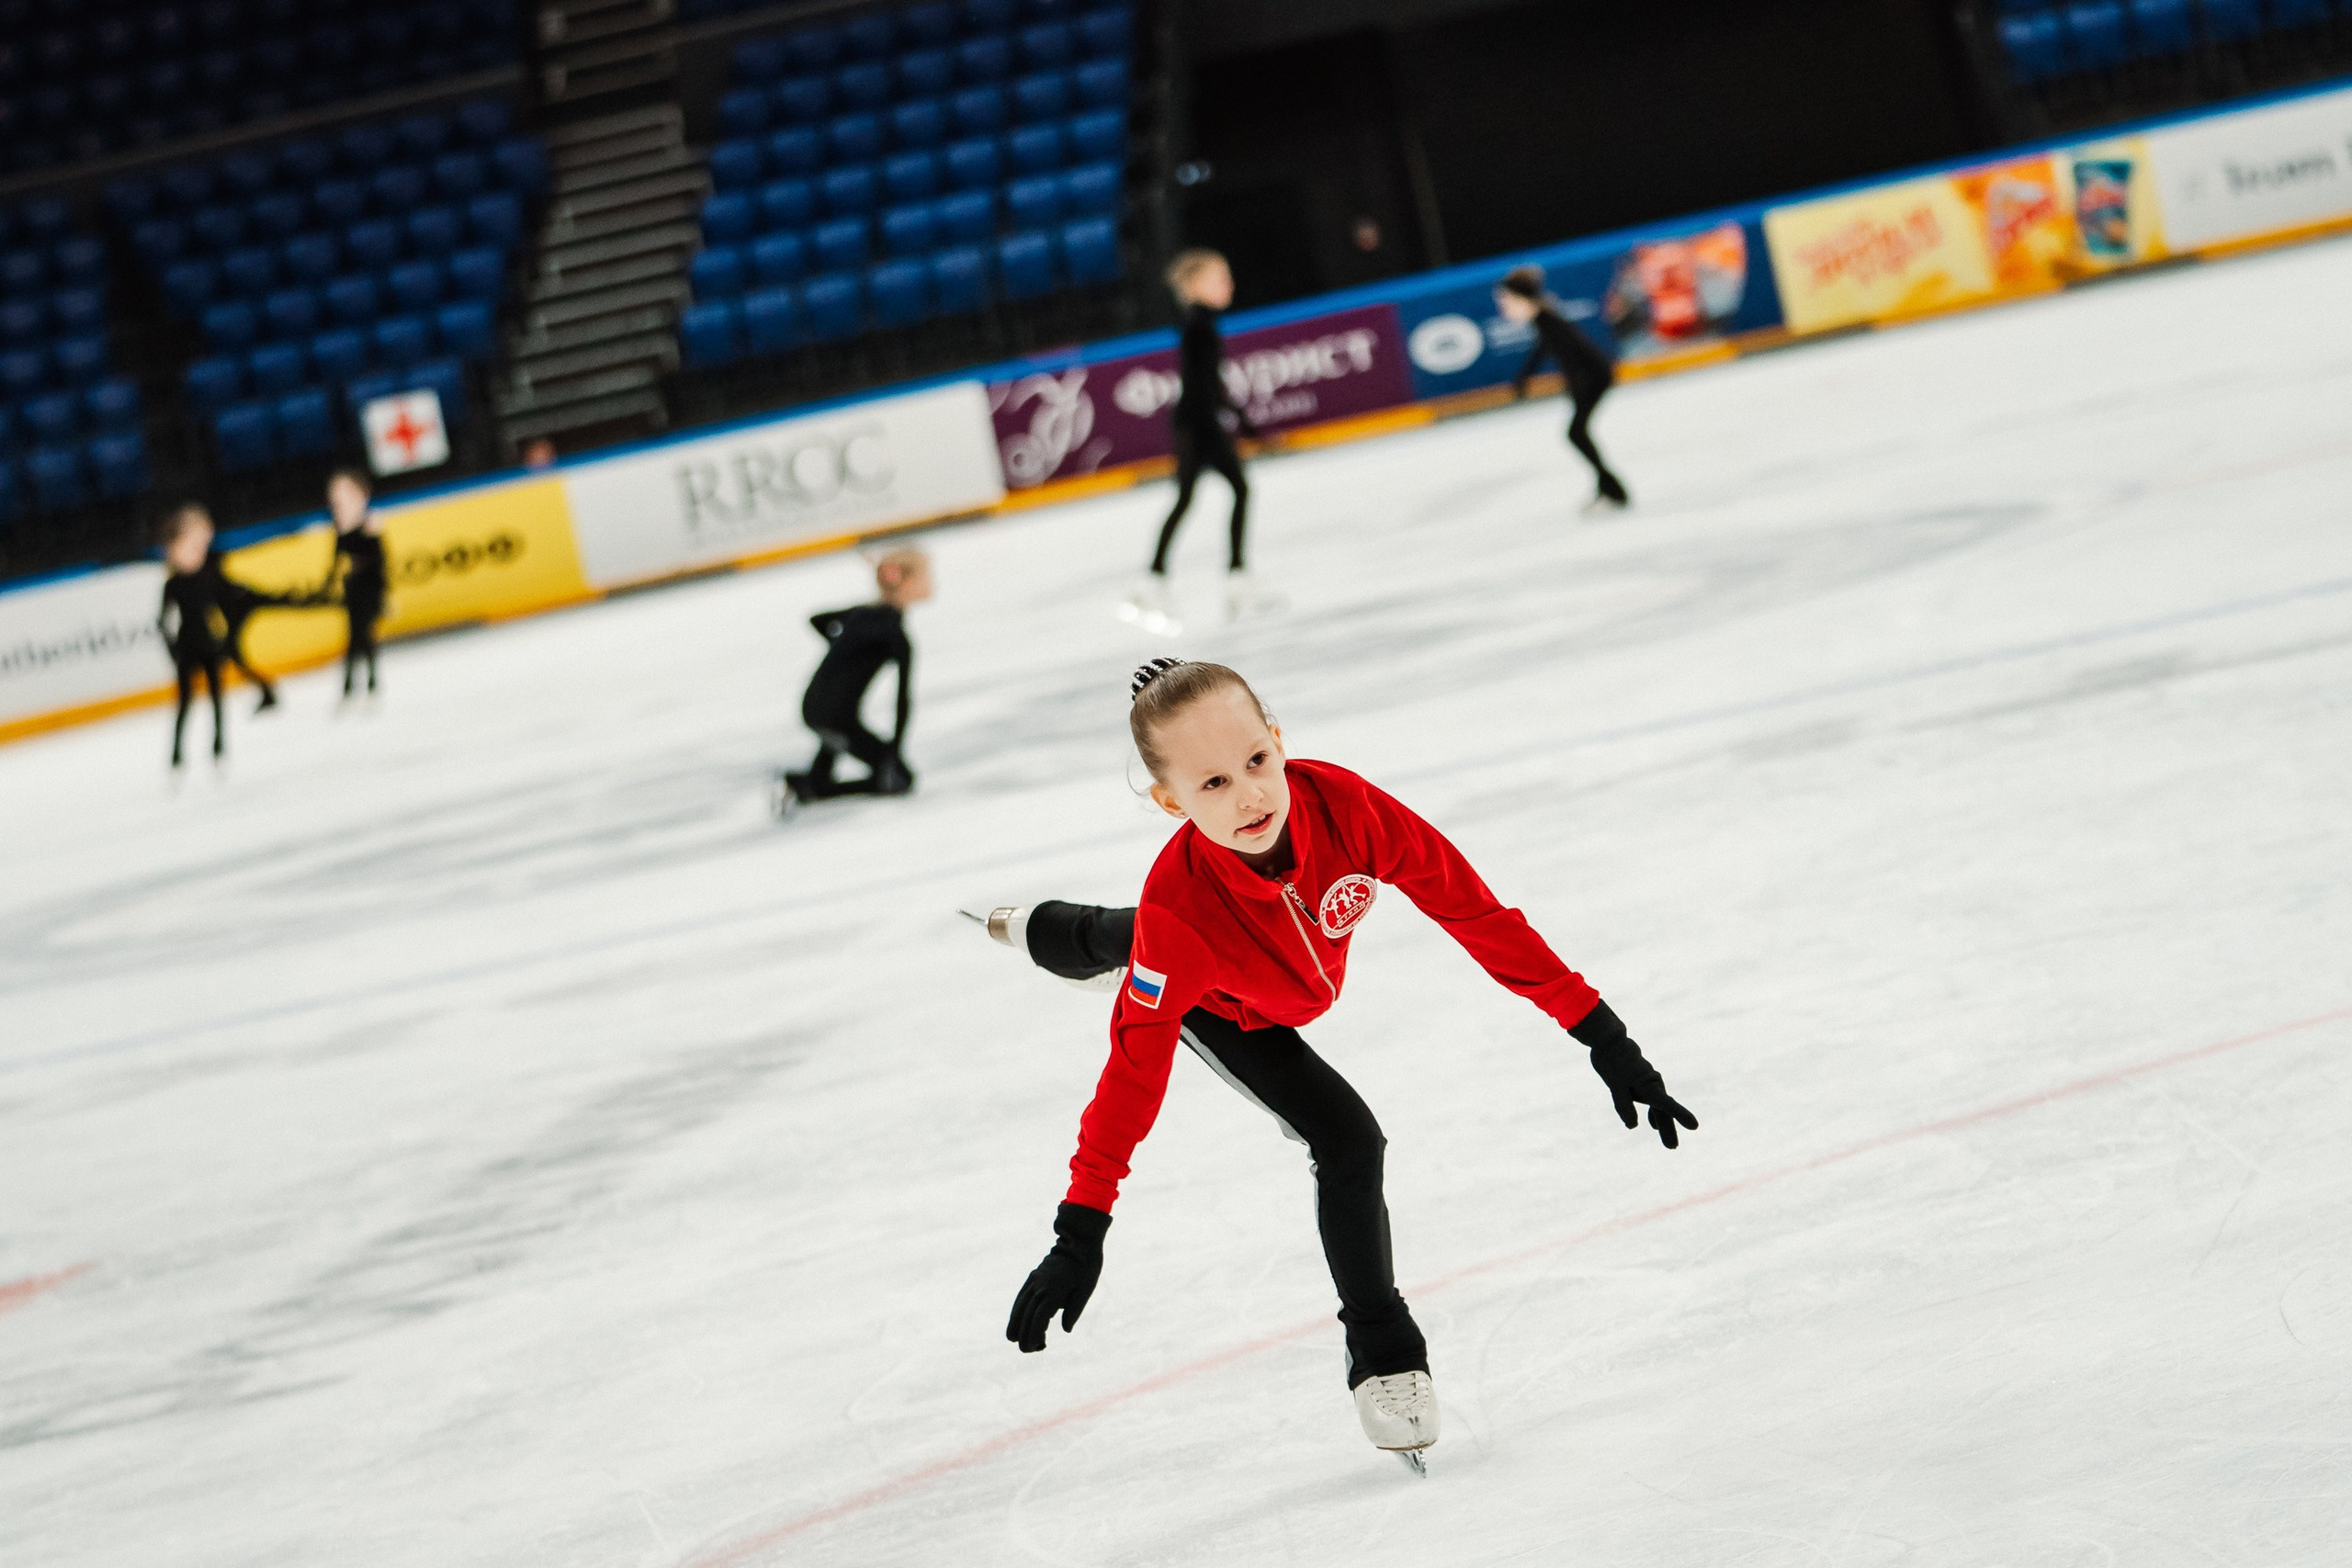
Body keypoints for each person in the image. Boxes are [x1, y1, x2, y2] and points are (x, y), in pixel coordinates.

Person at [982, 659, 1697, 1468]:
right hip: (1231, 1008)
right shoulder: (1181, 919)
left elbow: (1477, 914)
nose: (1251, 796)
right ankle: (1385, 1352)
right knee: (1349, 1140)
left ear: (1279, 741)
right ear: (1172, 802)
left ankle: (1051, 929)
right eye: (1214, 783)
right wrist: (1081, 1230)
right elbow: (1132, 1071)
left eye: (1257, 761)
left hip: (1230, 951)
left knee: (1138, 932)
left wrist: (1602, 1034)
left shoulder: (1348, 810)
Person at [1122, 250, 1278, 637]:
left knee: (1219, 493)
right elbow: (1203, 385)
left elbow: (1210, 384)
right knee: (1213, 494)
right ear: (1194, 287)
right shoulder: (1198, 327)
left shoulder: (1203, 325)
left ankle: (1188, 581)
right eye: (1218, 278)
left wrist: (1239, 423)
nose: (1229, 284)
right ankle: (1173, 583)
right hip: (1197, 423)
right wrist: (1239, 424)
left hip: (1198, 421)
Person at [777, 547, 931, 813]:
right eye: (926, 577)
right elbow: (902, 700)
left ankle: (812, 782)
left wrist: (841, 650)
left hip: (813, 708)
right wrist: (893, 753)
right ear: (907, 582)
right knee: (902, 780)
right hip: (836, 719)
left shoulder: (860, 615)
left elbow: (818, 620)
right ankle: (810, 788)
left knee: (837, 738)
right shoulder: (895, 636)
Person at [1497, 264, 1630, 511]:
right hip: (1592, 376)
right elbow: (1543, 349)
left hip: (1594, 377)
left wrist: (1576, 387)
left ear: (1521, 299)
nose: (1502, 306)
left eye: (1506, 300)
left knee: (1576, 433)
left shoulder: (1547, 320)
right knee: (1577, 433)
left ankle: (1613, 489)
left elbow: (1572, 354)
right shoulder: (1544, 318)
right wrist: (1523, 378)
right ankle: (1608, 487)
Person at [156, 506, 231, 770]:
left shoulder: (207, 576)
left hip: (208, 644)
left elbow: (222, 608)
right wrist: (174, 650)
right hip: (188, 647)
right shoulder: (173, 584)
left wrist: (224, 639)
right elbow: (163, 622)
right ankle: (177, 752)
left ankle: (219, 745)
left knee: (217, 698)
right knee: (185, 702)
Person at [321, 468, 388, 702]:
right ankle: (357, 681)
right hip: (353, 586)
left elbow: (380, 560)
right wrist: (328, 583)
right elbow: (335, 561)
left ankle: (363, 681)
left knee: (364, 633)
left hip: (368, 585)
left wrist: (383, 590)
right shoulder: (341, 526)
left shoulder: (370, 523)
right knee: (356, 634)